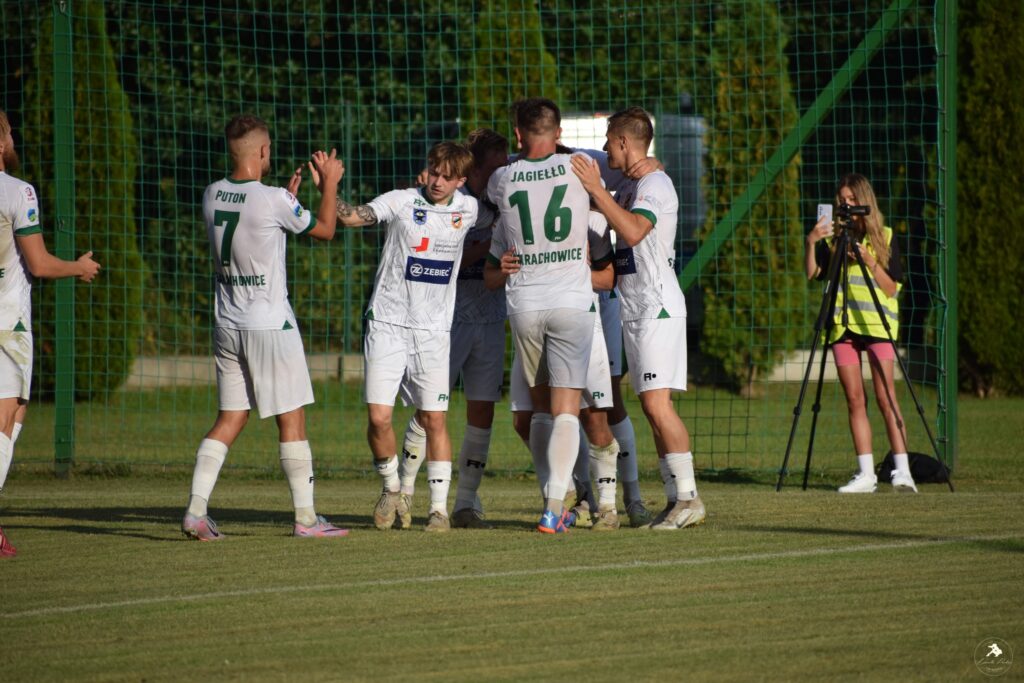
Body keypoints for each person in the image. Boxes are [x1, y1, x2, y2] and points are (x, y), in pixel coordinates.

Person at [181, 114, 347, 541]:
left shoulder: (212, 193)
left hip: (227, 322)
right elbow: (326, 230)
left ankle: (196, 512)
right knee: (292, 419)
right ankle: (306, 519)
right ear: (262, 151)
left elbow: (252, 226)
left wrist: (287, 202)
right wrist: (329, 183)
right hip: (269, 324)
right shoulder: (273, 200)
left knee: (231, 416)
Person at [328, 141, 477, 532]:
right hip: (388, 323)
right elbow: (352, 217)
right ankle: (392, 488)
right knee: (379, 419)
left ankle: (439, 511)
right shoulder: (401, 200)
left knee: (435, 419)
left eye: (447, 176)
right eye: (434, 172)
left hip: (433, 331)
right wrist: (329, 186)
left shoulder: (469, 208)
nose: (437, 181)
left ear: (461, 180)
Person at [572, 106, 706, 530]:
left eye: (609, 142)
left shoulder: (655, 184)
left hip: (657, 308)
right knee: (651, 408)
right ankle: (675, 499)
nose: (605, 148)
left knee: (657, 406)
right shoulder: (631, 183)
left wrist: (598, 191)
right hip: (636, 309)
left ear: (624, 142)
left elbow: (632, 231)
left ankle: (690, 498)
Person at [484, 97, 611, 533]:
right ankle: (554, 507)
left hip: (525, 304)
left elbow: (496, 206)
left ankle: (551, 495)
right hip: (572, 302)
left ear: (518, 134)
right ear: (558, 133)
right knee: (567, 410)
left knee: (539, 410)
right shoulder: (580, 166)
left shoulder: (502, 178)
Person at [395, 129, 509, 530]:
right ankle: (402, 494)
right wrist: (490, 247)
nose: (502, 172)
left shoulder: (502, 204)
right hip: (449, 320)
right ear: (472, 171)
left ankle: (465, 503)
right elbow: (442, 253)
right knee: (429, 409)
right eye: (495, 166)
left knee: (482, 410)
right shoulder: (451, 204)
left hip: (491, 318)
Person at [0, 109, 102, 557]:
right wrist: (78, 267)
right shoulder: (17, 191)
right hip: (7, 323)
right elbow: (39, 264)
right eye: (7, 133)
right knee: (5, 420)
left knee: (17, 415)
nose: (12, 139)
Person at [805, 173, 917, 494]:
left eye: (852, 199)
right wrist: (812, 242)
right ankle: (866, 474)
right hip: (843, 326)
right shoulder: (834, 240)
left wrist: (868, 260)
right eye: (842, 200)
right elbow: (814, 273)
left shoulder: (885, 236)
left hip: (877, 326)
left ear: (864, 200)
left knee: (886, 397)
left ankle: (903, 471)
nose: (847, 205)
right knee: (855, 399)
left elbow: (891, 288)